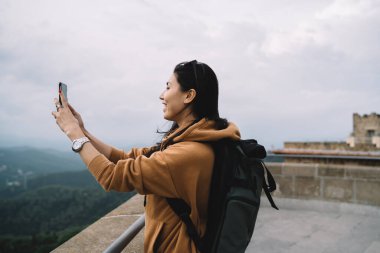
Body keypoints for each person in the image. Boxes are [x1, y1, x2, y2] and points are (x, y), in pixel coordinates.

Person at [51, 60, 240, 253]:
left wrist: (73, 133)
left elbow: (111, 176)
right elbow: (125, 158)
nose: (161, 95)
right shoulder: (192, 141)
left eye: (168, 87)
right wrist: (83, 131)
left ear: (189, 95)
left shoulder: (189, 154)